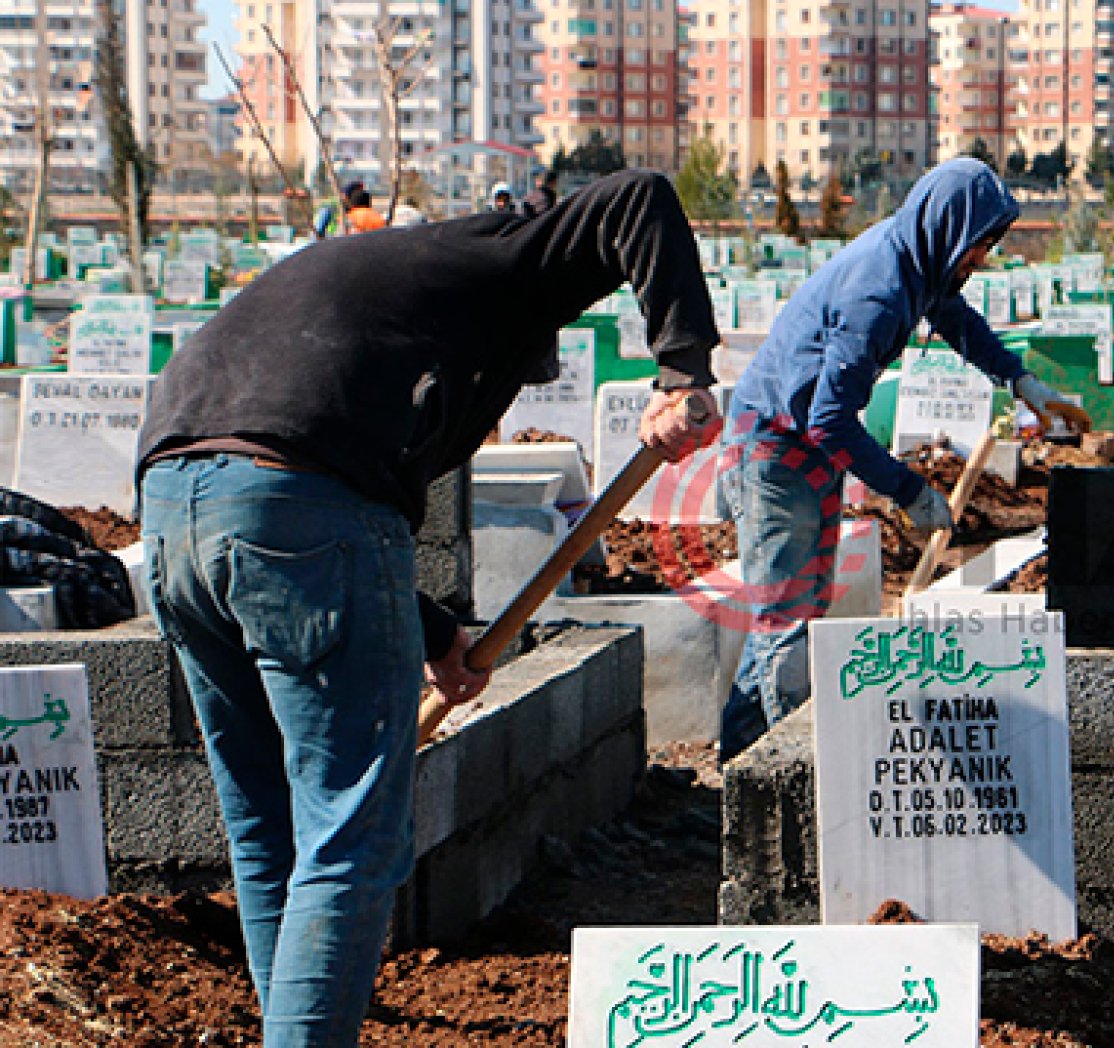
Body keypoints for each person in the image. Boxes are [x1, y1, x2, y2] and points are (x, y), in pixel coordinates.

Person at [136, 169, 723, 1046]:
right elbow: (640, 197)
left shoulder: (378, 275)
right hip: (299, 502)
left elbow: (271, 504)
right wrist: (682, 374)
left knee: (269, 827)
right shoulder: (510, 255)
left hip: (175, 517)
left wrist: (439, 634)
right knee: (349, 835)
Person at [716, 157, 1087, 760]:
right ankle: (776, 774)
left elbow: (957, 320)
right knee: (784, 620)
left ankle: (747, 764)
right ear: (950, 228)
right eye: (979, 246)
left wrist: (1020, 381)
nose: (981, 260)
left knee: (800, 610)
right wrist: (909, 490)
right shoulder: (879, 291)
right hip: (775, 448)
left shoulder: (915, 260)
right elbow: (829, 420)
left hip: (802, 444)